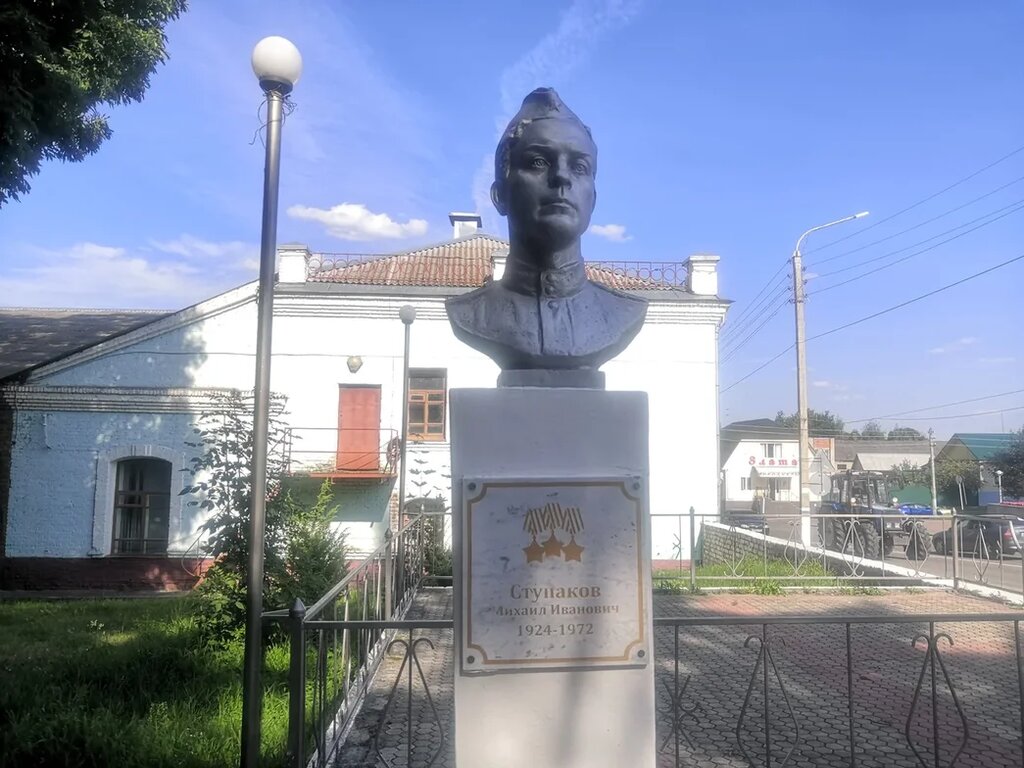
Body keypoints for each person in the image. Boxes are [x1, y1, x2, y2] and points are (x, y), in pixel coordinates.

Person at [445, 87, 647, 383]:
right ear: (500, 195)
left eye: (580, 166)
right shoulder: (472, 315)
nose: (562, 177)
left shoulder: (622, 315)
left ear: (593, 200)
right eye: (538, 162)